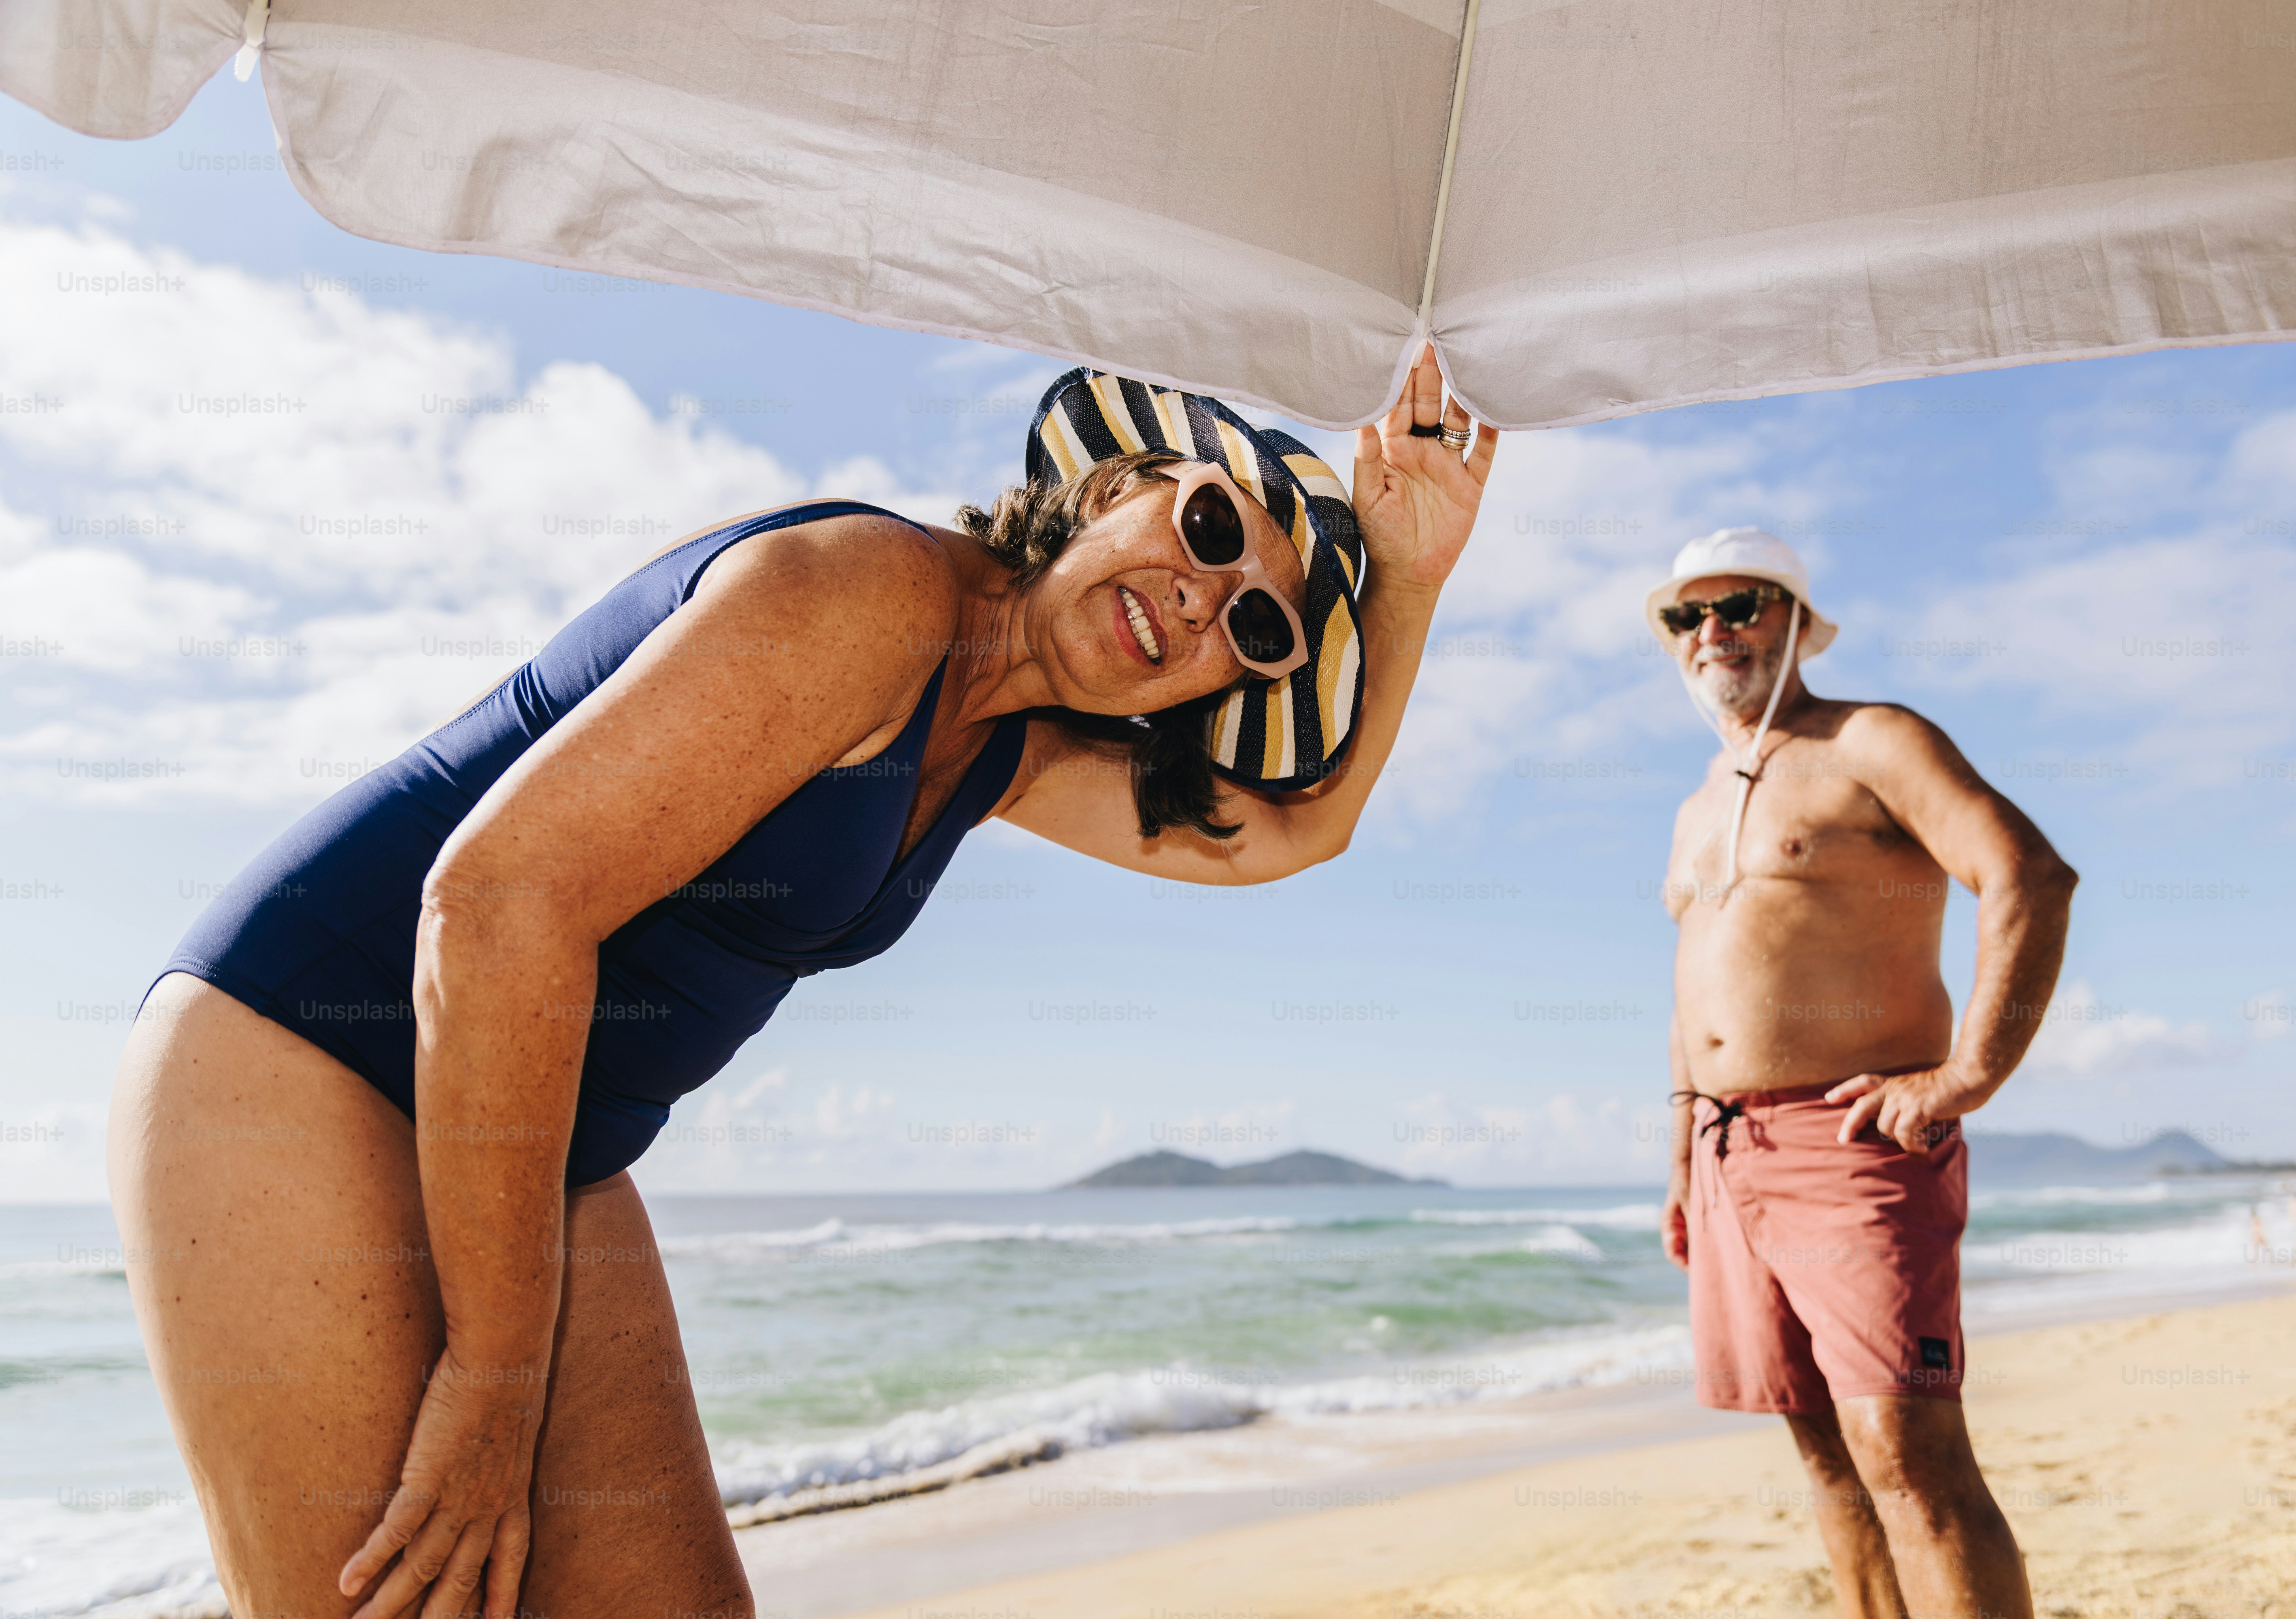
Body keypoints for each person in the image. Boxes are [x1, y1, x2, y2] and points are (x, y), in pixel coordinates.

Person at [108, 353, 1496, 1619]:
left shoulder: (1003, 751)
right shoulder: (873, 595)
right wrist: (494, 1379)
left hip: (542, 1150)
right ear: (1108, 494)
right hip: (308, 1054)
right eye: (1204, 527)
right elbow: (492, 907)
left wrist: (1413, 582)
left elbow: (1291, 834)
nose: (1206, 597)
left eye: (1253, 626)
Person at [1650, 529, 2077, 1619]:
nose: (1712, 633)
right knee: (1827, 1455)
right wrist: (1678, 1166)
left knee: (1905, 1448)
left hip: (1852, 1143)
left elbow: (2026, 871)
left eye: (1738, 605)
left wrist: (1966, 1074)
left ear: (1797, 618)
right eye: (1684, 617)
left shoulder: (1869, 741)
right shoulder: (1697, 805)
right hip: (1724, 1159)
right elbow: (1695, 996)